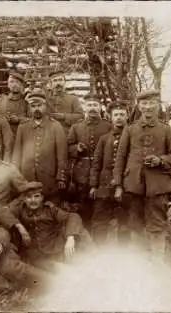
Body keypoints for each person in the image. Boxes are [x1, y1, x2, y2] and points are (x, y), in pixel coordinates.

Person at [113, 90, 171, 258]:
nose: (148, 107)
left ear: (158, 106)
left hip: (157, 186)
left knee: (157, 224)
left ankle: (158, 262)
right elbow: (120, 158)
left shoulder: (166, 130)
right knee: (135, 224)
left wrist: (160, 160)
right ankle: (140, 263)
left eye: (151, 103)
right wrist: (118, 185)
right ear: (139, 106)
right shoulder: (129, 130)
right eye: (144, 103)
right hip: (133, 185)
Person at [0, 181, 93, 271]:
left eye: (36, 196)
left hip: (55, 249)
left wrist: (70, 238)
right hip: (36, 255)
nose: (33, 200)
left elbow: (72, 216)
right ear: (24, 199)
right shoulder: (21, 209)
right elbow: (1, 212)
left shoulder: (50, 209)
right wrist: (19, 227)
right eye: (29, 197)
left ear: (42, 198)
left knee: (81, 239)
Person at [12, 89, 68, 204]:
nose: (36, 109)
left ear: (45, 106)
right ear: (29, 108)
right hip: (27, 177)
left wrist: (61, 176)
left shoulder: (55, 126)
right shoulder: (23, 127)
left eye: (39, 105)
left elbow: (62, 155)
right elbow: (17, 154)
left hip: (49, 179)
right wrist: (16, 176)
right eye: (33, 106)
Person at [67, 93, 112, 232]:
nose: (92, 108)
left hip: (102, 171)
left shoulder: (108, 126)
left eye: (95, 105)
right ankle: (85, 235)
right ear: (84, 107)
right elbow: (68, 147)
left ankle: (100, 237)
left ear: (100, 107)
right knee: (83, 204)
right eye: (89, 105)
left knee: (101, 205)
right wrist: (76, 148)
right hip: (82, 173)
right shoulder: (76, 127)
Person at [89, 103, 130, 246]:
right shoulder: (104, 139)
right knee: (100, 219)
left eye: (122, 114)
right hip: (104, 184)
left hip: (126, 183)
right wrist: (94, 185)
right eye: (116, 115)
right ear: (110, 118)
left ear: (127, 116)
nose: (119, 118)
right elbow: (96, 163)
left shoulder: (132, 137)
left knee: (125, 220)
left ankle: (124, 252)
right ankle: (98, 251)